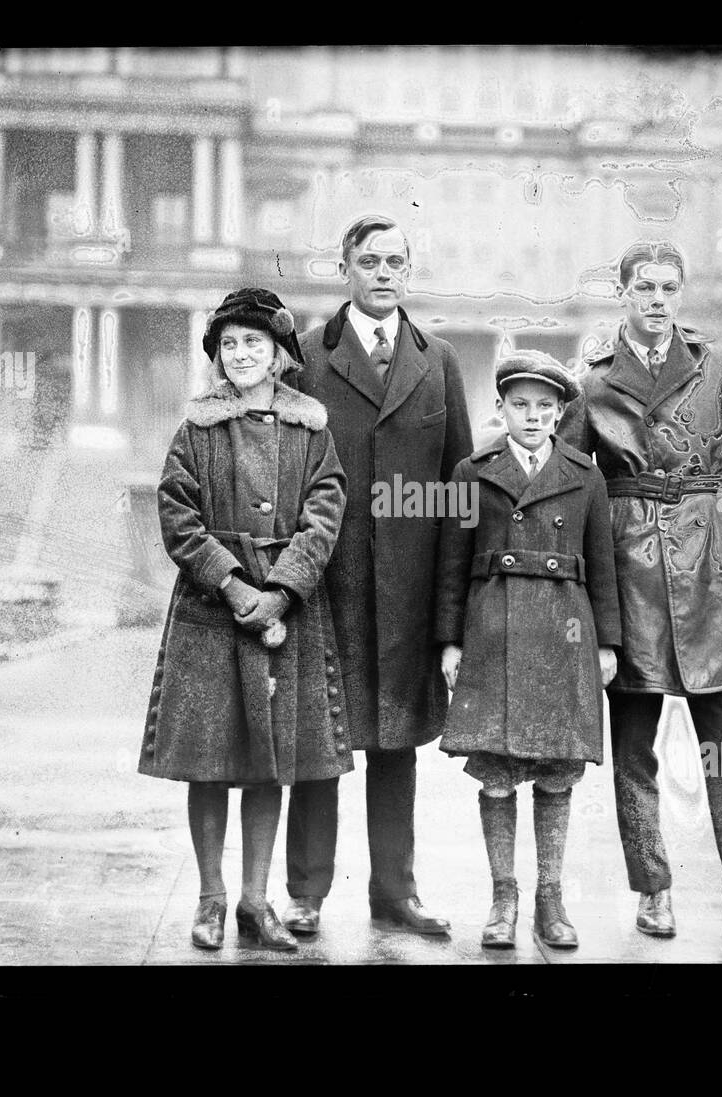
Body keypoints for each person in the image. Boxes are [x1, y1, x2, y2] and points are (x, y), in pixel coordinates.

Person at [559, 240, 722, 956]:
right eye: (644, 287)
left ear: (680, 293)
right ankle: (653, 886)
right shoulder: (593, 381)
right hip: (628, 579)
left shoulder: (716, 368)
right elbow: (571, 489)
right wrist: (574, 593)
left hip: (714, 578)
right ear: (623, 292)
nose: (657, 299)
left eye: (668, 287)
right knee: (633, 750)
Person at [138, 288, 350, 952]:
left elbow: (325, 510)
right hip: (210, 613)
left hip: (287, 615)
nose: (240, 354)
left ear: (281, 354)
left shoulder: (311, 429)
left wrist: (282, 590)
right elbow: (178, 514)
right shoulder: (196, 430)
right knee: (208, 759)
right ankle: (210, 897)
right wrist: (233, 586)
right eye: (228, 344)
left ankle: (257, 901)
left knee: (269, 761)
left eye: (253, 342)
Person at [282, 214, 473, 936]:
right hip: (329, 587)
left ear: (409, 270)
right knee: (319, 740)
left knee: (397, 743)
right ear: (345, 270)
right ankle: (305, 892)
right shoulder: (304, 356)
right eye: (370, 260)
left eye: (396, 260)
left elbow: (458, 495)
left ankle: (396, 891)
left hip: (409, 596)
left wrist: (448, 615)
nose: (384, 272)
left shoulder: (439, 360)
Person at [434, 352, 621, 949]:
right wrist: (449, 640)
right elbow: (450, 565)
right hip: (493, 630)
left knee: (556, 771)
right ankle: (502, 897)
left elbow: (605, 568)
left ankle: (551, 897)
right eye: (521, 405)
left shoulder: (586, 476)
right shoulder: (472, 471)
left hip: (565, 633)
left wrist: (607, 644)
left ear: (562, 412)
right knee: (494, 771)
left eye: (545, 406)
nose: (533, 416)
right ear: (502, 409)